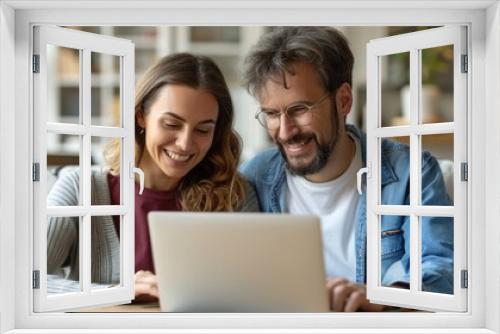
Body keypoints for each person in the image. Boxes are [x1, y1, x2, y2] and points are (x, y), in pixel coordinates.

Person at [240, 27, 453, 312]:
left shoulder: (411, 172)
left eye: (300, 109)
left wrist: (384, 299)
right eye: (271, 114)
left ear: (343, 100)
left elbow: (440, 269)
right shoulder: (254, 177)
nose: (285, 131)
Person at [47, 53, 260, 301]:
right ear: (141, 116)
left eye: (203, 129)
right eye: (171, 124)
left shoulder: (235, 195)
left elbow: (257, 290)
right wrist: (114, 292)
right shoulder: (81, 188)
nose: (185, 143)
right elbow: (26, 283)